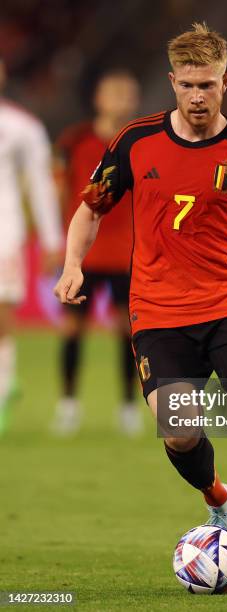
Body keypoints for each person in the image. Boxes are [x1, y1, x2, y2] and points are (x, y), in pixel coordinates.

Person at [54, 23, 227, 592]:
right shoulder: (137, 142)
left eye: (207, 84)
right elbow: (90, 209)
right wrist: (71, 265)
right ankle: (219, 499)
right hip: (158, 313)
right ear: (172, 83)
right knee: (180, 433)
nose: (197, 96)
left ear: (225, 82)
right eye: (187, 85)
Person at [51, 69, 143, 436]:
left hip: (127, 253)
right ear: (98, 99)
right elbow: (57, 193)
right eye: (114, 92)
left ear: (135, 100)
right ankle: (69, 404)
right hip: (83, 256)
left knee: (128, 332)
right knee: (73, 329)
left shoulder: (143, 143)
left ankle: (128, 407)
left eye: (127, 93)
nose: (121, 99)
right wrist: (58, 241)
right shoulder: (74, 142)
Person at [0, 57, 62, 435]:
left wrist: (52, 239)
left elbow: (40, 184)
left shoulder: (22, 127)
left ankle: (3, 389)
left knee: (1, 318)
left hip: (4, 233)